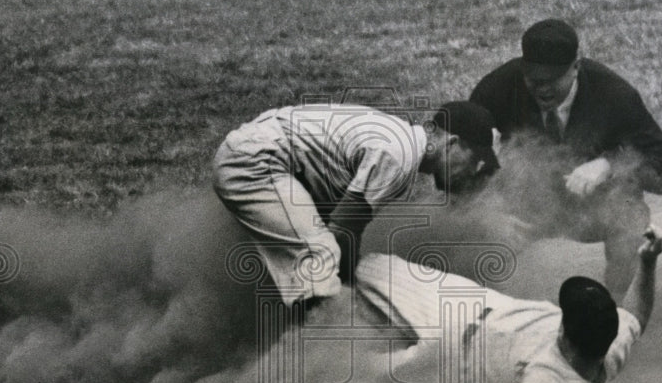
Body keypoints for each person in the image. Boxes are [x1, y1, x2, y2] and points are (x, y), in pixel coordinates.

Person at [355, 225, 662, 383]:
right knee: (369, 266)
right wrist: (648, 260)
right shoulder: (608, 343)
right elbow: (636, 317)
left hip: (447, 355)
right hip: (479, 303)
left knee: (360, 376)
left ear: (565, 333)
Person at [213, 100, 500, 306]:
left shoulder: (401, 143)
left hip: (263, 154)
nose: (472, 170)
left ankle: (286, 324)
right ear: (452, 143)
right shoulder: (397, 155)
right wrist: (351, 294)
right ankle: (316, 360)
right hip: (255, 162)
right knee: (321, 257)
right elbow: (343, 230)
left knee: (322, 252)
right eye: (474, 159)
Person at [469, 18, 662, 295]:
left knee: (629, 217)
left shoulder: (614, 95)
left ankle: (619, 311)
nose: (542, 89)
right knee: (470, 231)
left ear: (576, 67)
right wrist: (489, 214)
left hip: (592, 208)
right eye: (534, 79)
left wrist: (608, 165)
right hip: (524, 209)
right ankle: (481, 315)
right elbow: (459, 165)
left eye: (552, 80)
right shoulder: (495, 91)